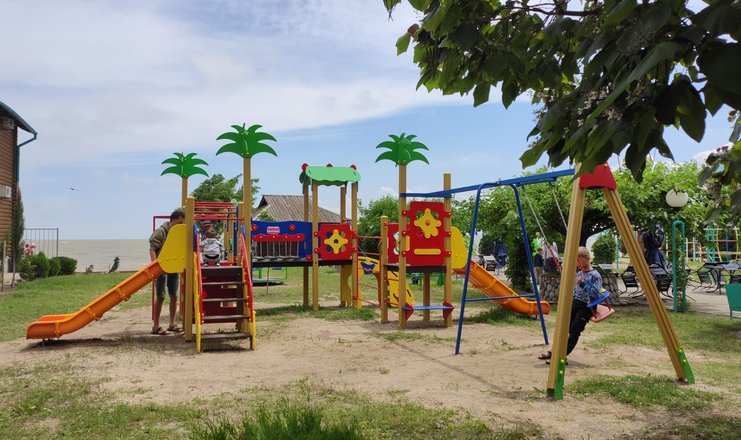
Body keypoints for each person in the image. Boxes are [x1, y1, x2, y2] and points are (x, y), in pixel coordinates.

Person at [539, 246, 602, 363]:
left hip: (587, 306)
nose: (578, 264)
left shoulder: (595, 275)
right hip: (575, 303)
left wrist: (581, 283)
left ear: (587, 258)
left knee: (574, 330)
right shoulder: (579, 273)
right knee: (563, 327)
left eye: (579, 261)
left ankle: (562, 356)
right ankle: (554, 351)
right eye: (576, 261)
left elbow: (596, 294)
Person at [149, 209, 185, 335]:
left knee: (174, 296)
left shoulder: (178, 233)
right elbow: (152, 249)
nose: (181, 225)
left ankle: (172, 324)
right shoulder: (161, 231)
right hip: (161, 267)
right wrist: (155, 266)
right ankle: (156, 326)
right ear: (173, 220)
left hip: (173, 266)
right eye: (180, 222)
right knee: (160, 296)